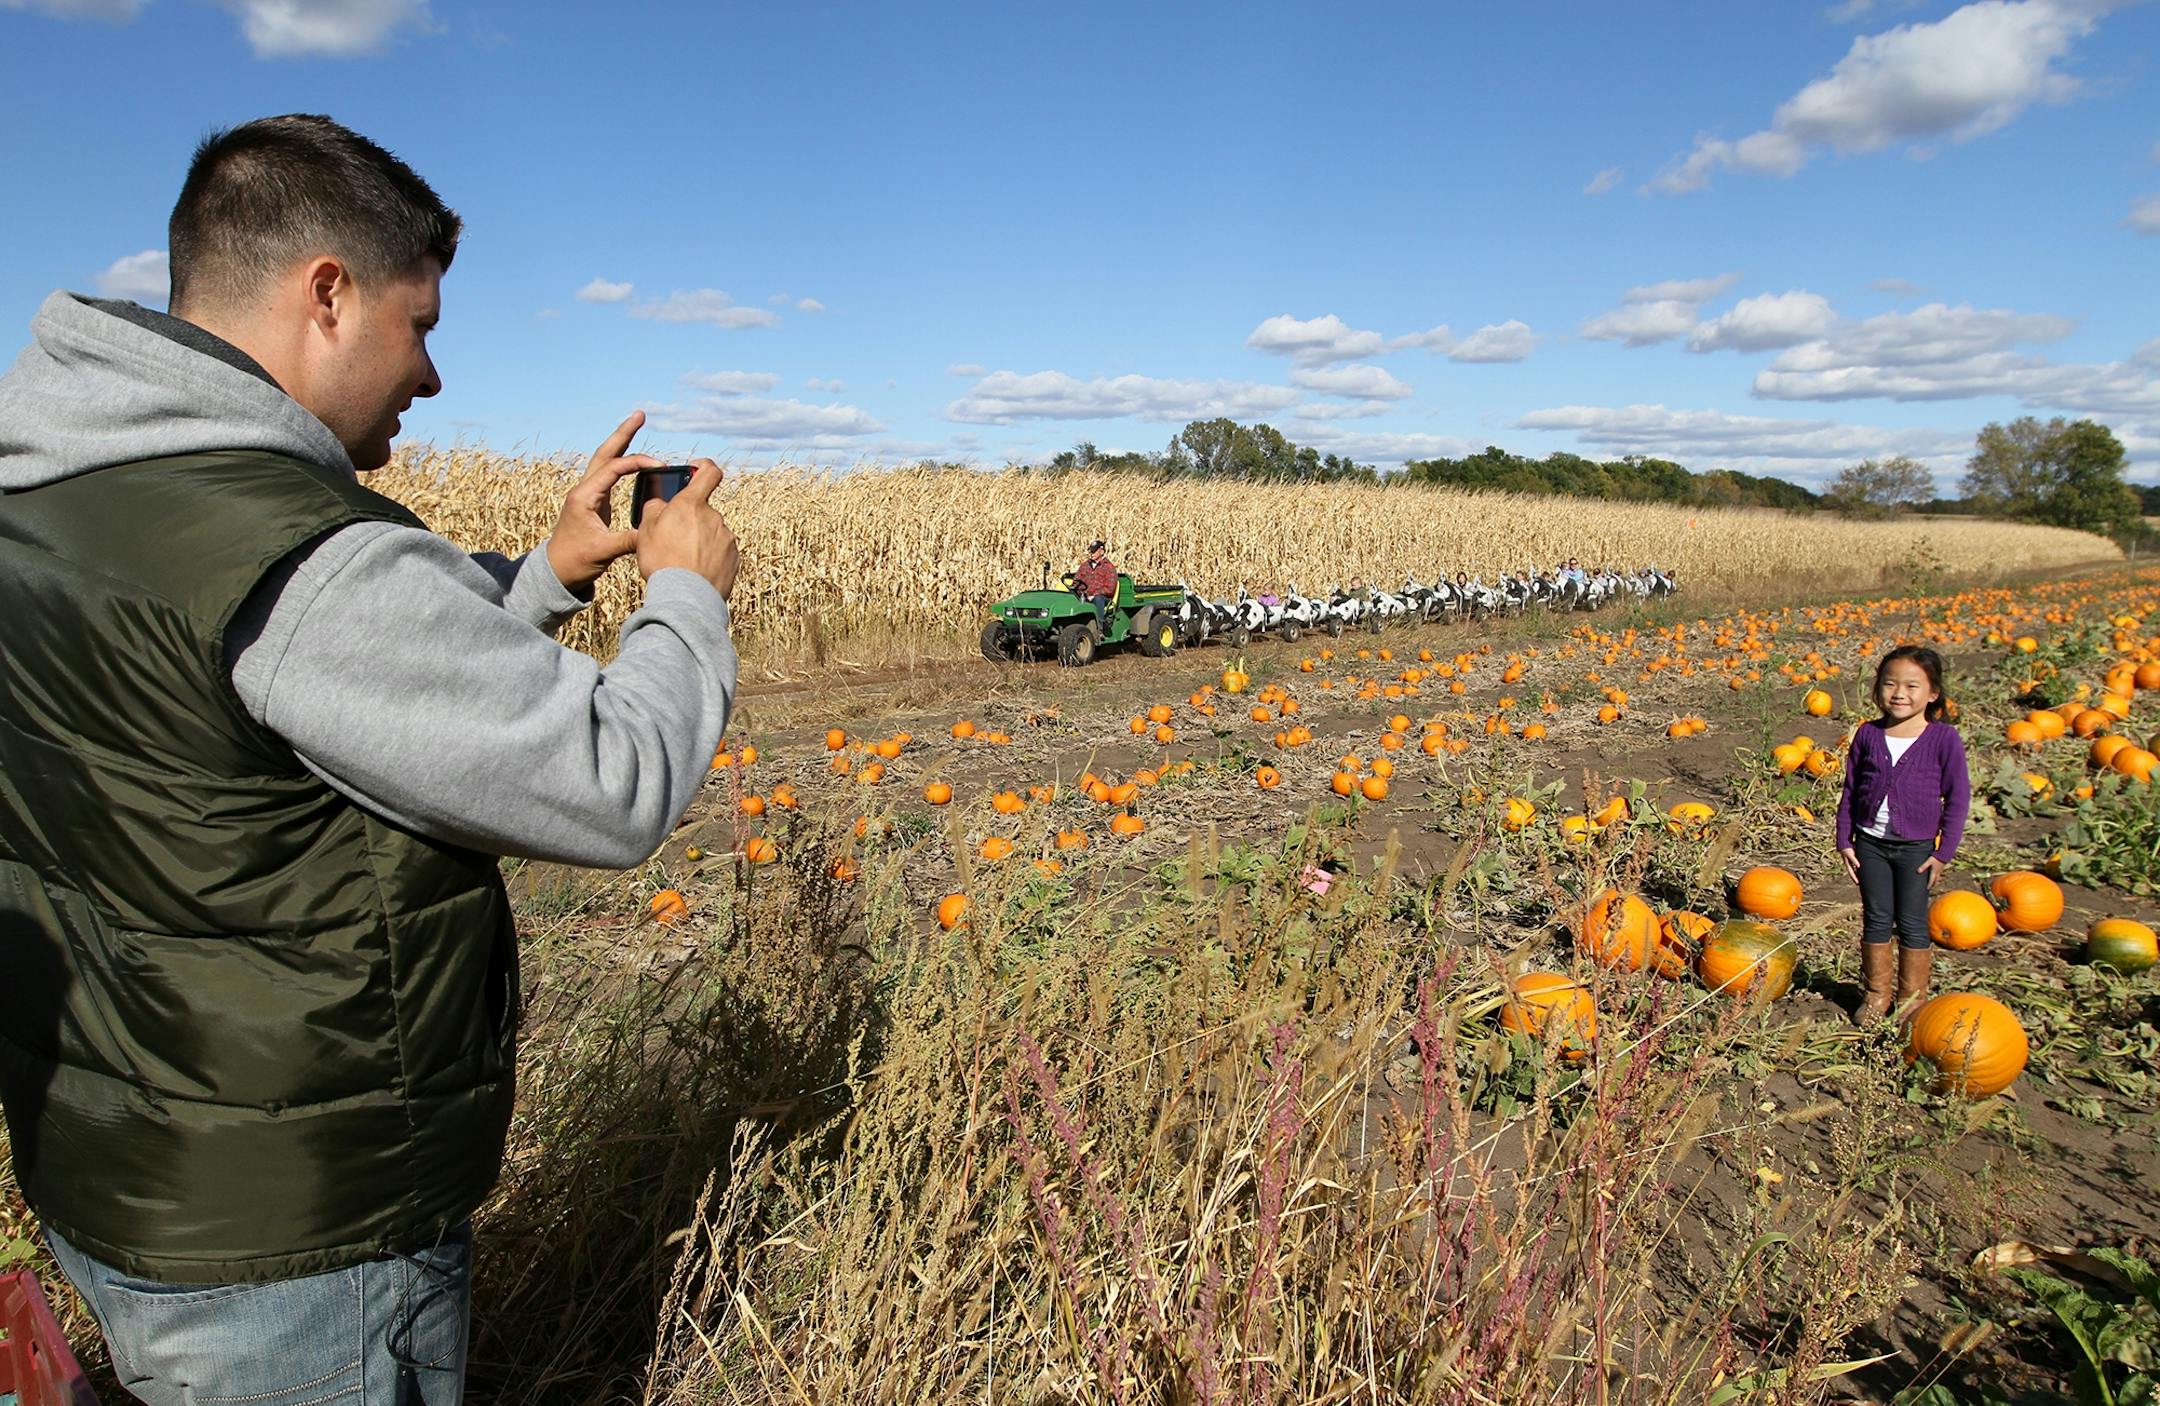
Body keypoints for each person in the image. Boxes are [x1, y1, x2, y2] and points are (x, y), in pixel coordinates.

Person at [0, 115, 740, 1404]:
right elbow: (616, 782)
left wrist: (549, 577)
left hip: (117, 1166)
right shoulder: (298, 553)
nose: (435, 376)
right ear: (327, 294)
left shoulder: (51, 496)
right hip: (299, 1252)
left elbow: (274, 706)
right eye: (425, 322)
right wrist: (683, 598)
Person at [1835, 645, 1970, 1025]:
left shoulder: (1943, 740)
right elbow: (1850, 789)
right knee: (1876, 918)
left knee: (1911, 921)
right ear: (1878, 688)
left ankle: (1912, 1002)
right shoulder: (1868, 734)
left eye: (1912, 685)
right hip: (1870, 845)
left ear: (1932, 693)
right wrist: (1845, 839)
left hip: (1916, 848)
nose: (1899, 693)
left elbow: (1958, 798)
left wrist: (1943, 853)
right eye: (1890, 683)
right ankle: (1877, 995)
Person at [1074, 539, 1117, 634]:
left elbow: (1110, 589)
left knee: (1098, 599)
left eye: (1094, 551)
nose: (1091, 553)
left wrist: (1094, 595)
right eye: (1091, 551)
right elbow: (1076, 580)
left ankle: (1099, 629)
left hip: (1103, 598)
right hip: (1084, 595)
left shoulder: (1108, 567)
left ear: (1101, 551)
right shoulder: (1085, 566)